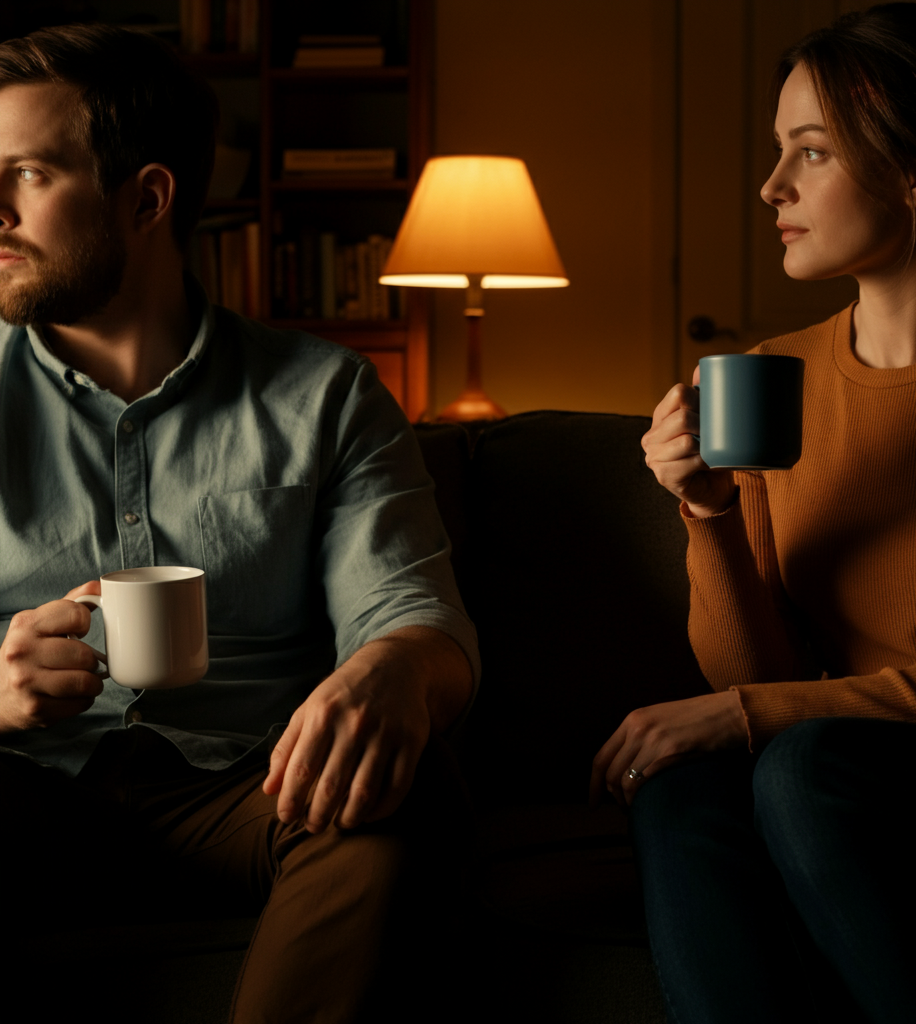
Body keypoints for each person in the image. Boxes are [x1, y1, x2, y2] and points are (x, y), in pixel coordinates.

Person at [0, 23, 479, 1024]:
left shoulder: (327, 394)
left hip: (249, 790)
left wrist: (392, 669)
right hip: (26, 787)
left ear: (148, 197)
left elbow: (413, 618)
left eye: (27, 176)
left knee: (397, 786)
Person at [591, 4, 916, 1022]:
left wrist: (742, 719)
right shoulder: (773, 375)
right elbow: (757, 680)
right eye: (776, 151)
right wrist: (706, 508)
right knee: (684, 788)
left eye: (810, 152)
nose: (769, 187)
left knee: (795, 762)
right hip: (824, 781)